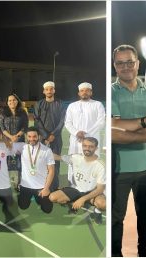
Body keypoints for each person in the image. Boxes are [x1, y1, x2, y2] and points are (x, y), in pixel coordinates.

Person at [111, 44, 146, 257]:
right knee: (116, 222)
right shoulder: (112, 92)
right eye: (120, 63)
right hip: (119, 170)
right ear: (115, 66)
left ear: (137, 63)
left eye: (130, 62)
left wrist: (128, 127)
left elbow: (121, 129)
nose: (126, 67)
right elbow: (113, 133)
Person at [49, 137, 106, 224]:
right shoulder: (76, 157)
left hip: (91, 192)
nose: (87, 148)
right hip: (76, 190)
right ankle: (73, 203)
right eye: (85, 146)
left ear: (96, 148)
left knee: (103, 204)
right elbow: (58, 157)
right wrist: (43, 151)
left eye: (91, 146)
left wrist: (82, 199)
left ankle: (97, 212)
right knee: (53, 197)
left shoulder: (100, 165)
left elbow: (100, 189)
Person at [9, 127, 55, 213]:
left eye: (34, 136)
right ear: (26, 136)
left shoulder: (47, 150)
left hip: (41, 187)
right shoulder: (22, 147)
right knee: (23, 206)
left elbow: (51, 170)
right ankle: (27, 196)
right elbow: (8, 147)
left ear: (39, 137)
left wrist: (46, 188)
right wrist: (13, 139)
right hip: (26, 185)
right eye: (29, 136)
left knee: (47, 210)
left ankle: (39, 198)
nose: (32, 139)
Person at [34, 81, 66, 191]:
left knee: (55, 162)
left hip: (56, 139)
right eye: (47, 89)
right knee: (41, 161)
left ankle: (54, 186)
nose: (49, 91)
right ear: (44, 91)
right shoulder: (39, 104)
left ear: (54, 90)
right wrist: (46, 135)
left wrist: (53, 134)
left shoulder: (60, 103)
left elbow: (62, 121)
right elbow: (37, 121)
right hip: (43, 139)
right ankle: (41, 185)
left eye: (51, 89)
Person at [64, 82, 105, 156]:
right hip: (76, 140)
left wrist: (87, 135)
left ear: (91, 92)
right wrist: (76, 132)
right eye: (82, 91)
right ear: (79, 93)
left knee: (91, 164)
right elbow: (68, 122)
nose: (84, 92)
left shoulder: (98, 104)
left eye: (87, 90)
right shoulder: (72, 106)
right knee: (74, 163)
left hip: (92, 139)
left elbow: (101, 122)